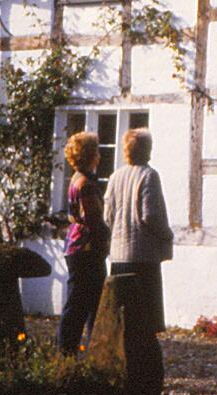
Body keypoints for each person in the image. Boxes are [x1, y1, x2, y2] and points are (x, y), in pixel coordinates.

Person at [102, 128, 173, 333]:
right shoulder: (149, 175)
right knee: (145, 323)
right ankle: (144, 364)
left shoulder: (115, 176)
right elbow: (150, 215)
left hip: (118, 258)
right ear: (146, 149)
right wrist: (167, 234)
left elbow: (108, 216)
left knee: (122, 322)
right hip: (144, 258)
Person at [58, 131, 108, 355]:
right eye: (96, 151)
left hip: (77, 247)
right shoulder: (86, 183)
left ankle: (77, 352)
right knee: (83, 304)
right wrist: (108, 234)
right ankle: (67, 353)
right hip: (86, 249)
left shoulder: (76, 178)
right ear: (91, 156)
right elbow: (93, 219)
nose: (99, 156)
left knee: (84, 304)